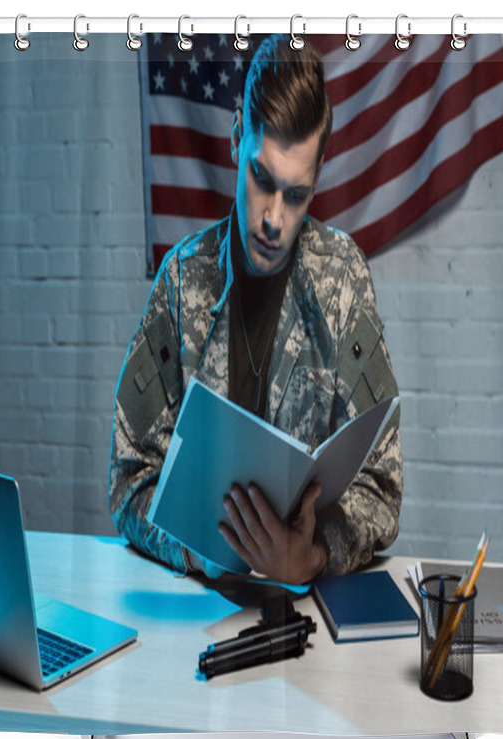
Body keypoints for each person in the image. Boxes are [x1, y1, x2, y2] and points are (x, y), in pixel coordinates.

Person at [108, 35, 402, 585]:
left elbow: (381, 488)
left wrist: (310, 556)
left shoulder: (342, 281)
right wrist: (194, 548)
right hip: (198, 608)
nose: (273, 219)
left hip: (306, 619)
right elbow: (129, 479)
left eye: (297, 195)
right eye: (261, 179)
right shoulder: (181, 279)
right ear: (237, 133)